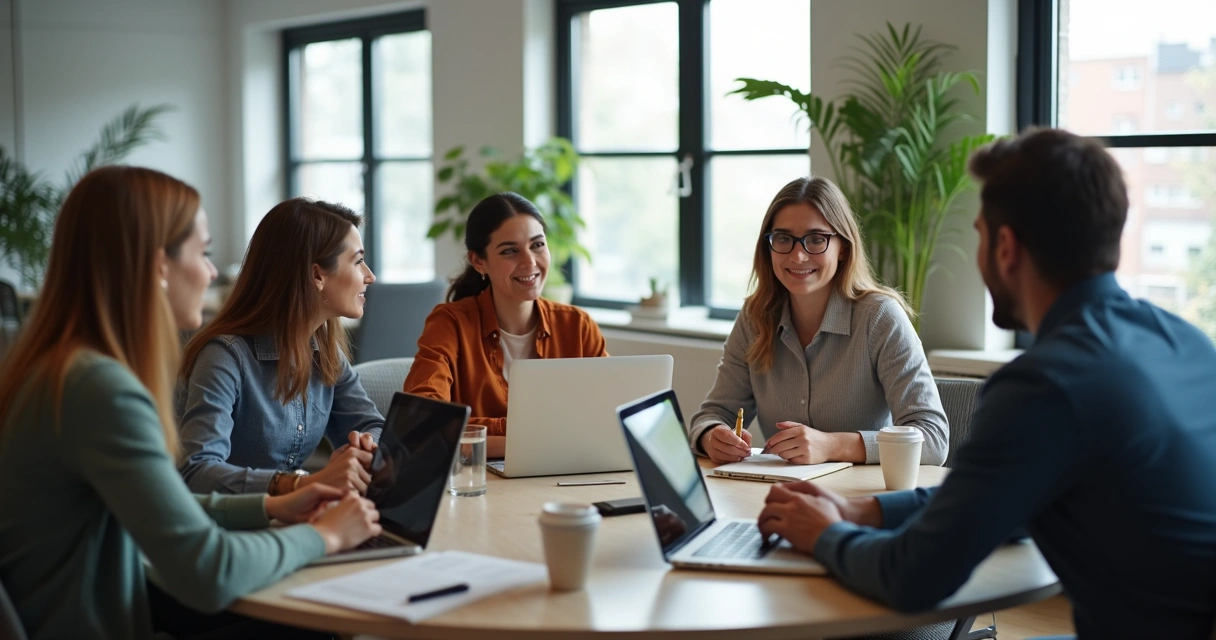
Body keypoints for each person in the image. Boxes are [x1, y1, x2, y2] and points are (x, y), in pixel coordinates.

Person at [757, 129, 1216, 640]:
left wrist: (825, 534)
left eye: (978, 234)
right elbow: (994, 502)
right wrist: (864, 509)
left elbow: (912, 577)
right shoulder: (1187, 343)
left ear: (1005, 247)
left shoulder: (1044, 386)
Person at [0, 166, 381, 640]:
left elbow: (165, 505)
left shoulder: (61, 369)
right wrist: (325, 535)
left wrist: (274, 505)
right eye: (204, 253)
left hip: (118, 603)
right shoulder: (100, 391)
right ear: (159, 267)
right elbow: (209, 570)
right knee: (320, 625)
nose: (212, 273)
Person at [689, 177, 948, 466]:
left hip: (860, 491)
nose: (798, 255)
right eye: (783, 239)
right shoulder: (755, 317)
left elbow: (933, 439)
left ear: (843, 248)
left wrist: (833, 445)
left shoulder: (880, 317)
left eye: (816, 239)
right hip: (778, 488)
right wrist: (712, 437)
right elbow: (712, 415)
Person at [177, 198, 383, 497]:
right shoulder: (224, 357)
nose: (369, 276)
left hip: (290, 514)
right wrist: (301, 484)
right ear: (317, 275)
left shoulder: (324, 353)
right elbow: (198, 472)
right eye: (357, 261)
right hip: (228, 522)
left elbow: (371, 424)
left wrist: (363, 448)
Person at [403, 192, 607, 458]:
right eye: (510, 251)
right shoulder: (450, 324)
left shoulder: (578, 327)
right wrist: (535, 439)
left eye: (537, 245)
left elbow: (607, 418)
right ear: (479, 262)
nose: (530, 262)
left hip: (567, 473)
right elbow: (423, 424)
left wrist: (486, 437)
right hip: (478, 479)